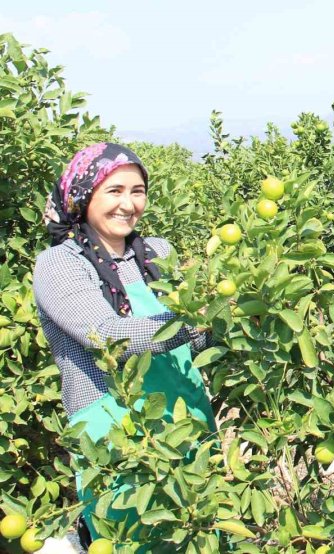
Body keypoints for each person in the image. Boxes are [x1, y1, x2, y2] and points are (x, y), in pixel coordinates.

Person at [34, 143, 217, 543]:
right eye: (114, 191)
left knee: (204, 533)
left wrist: (235, 319)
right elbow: (105, 335)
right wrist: (194, 318)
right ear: (84, 196)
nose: (128, 204)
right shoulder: (60, 264)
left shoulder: (158, 253)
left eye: (137, 191)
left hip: (189, 418)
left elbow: (195, 343)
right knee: (136, 538)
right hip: (117, 435)